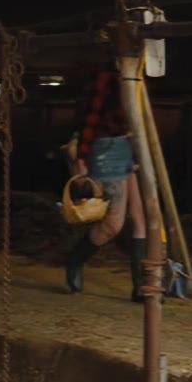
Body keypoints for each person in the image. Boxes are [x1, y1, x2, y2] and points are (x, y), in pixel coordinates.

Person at [65, 62, 147, 302]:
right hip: (107, 147)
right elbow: (89, 118)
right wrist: (82, 156)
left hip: (128, 143)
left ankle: (140, 287)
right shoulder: (106, 79)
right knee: (113, 224)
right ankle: (75, 259)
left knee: (140, 216)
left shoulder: (138, 75)